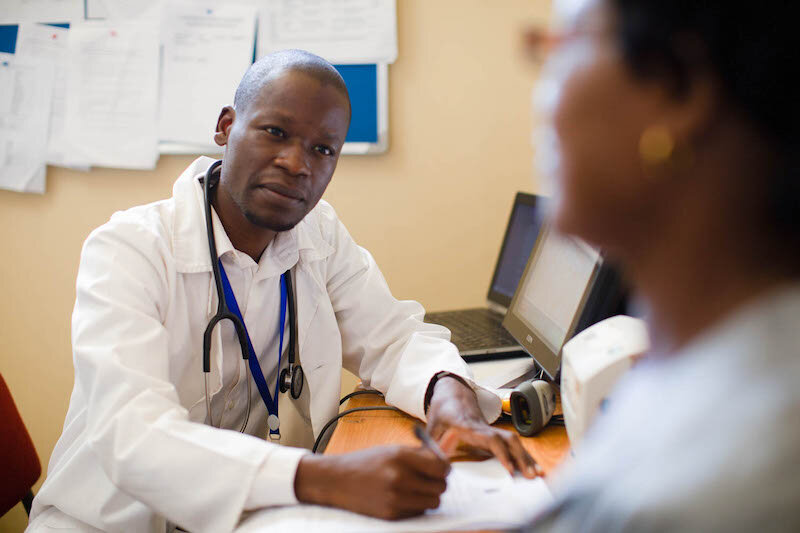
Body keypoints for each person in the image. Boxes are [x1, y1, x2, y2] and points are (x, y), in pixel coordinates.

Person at [27, 50, 537, 533]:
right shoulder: (130, 249)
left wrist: (452, 402)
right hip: (107, 522)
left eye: (323, 149)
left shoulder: (319, 236)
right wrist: (327, 479)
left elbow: (395, 337)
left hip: (260, 517)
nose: (297, 164)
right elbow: (131, 435)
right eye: (275, 132)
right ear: (227, 128)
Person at [521, 0, 800, 530]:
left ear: (681, 87)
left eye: (568, 45)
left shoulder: (716, 494)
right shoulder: (692, 369)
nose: (542, 97)